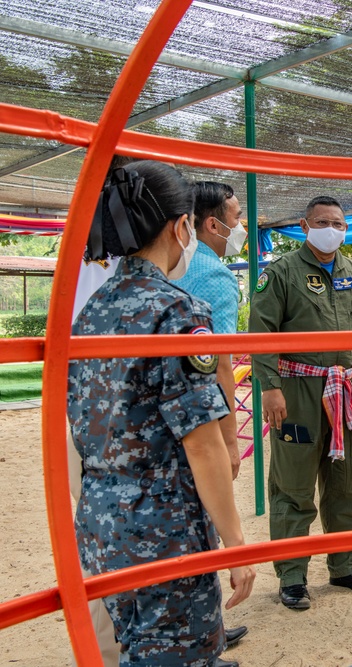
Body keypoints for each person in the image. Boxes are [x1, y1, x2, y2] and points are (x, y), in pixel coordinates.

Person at [68, 161, 255, 666]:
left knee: (136, 650)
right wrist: (235, 546)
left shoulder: (91, 313)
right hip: (164, 528)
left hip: (102, 524)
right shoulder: (175, 312)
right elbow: (201, 442)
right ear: (182, 226)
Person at [249, 195, 352, 611]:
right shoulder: (281, 273)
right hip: (297, 391)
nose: (333, 229)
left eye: (339, 223)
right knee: (293, 486)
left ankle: (345, 565)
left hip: (346, 389)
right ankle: (292, 575)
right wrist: (270, 387)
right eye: (324, 221)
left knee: (347, 481)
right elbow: (261, 333)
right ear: (304, 224)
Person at [173, 181, 246, 481]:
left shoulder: (169, 263)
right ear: (214, 225)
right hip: (199, 416)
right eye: (237, 218)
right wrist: (230, 442)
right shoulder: (215, 275)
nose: (241, 226)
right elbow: (220, 362)